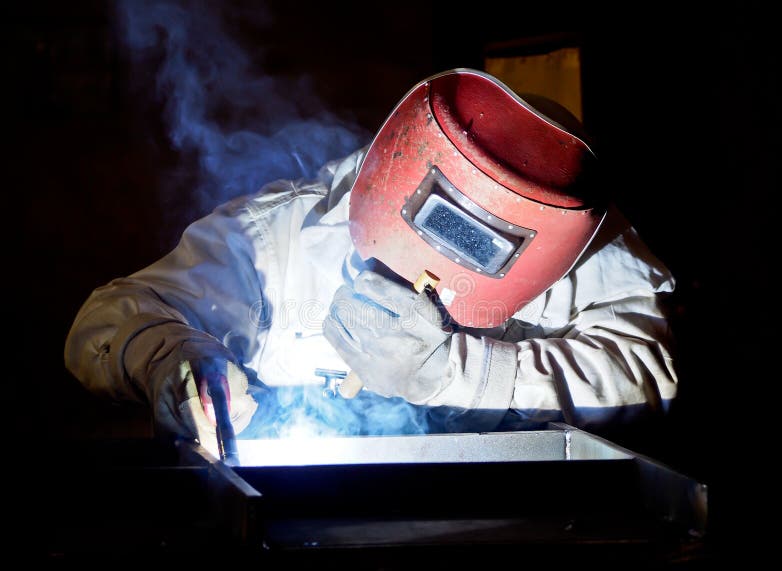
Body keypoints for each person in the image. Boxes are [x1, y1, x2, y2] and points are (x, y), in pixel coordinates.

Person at [64, 68, 678, 455]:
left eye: (485, 247)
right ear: (393, 184)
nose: (432, 279)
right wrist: (172, 361)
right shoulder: (282, 236)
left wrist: (460, 370)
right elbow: (108, 319)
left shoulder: (576, 235)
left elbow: (650, 371)